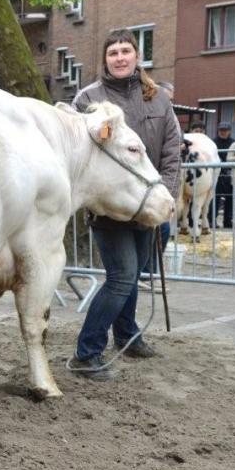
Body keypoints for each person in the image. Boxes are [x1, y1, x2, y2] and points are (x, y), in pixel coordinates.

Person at [69, 30, 181, 381]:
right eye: (113, 52)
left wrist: (164, 197)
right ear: (105, 59)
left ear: (137, 55)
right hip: (110, 207)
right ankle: (86, 353)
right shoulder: (88, 98)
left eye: (125, 51)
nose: (119, 57)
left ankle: (127, 335)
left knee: (133, 276)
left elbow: (172, 151)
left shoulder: (158, 98)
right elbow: (77, 153)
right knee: (121, 278)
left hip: (149, 204)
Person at [213, 122, 234, 228]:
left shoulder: (234, 143)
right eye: (221, 130)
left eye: (225, 130)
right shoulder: (213, 142)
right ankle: (212, 220)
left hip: (230, 173)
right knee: (215, 198)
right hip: (216, 173)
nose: (223, 132)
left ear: (229, 131)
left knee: (230, 198)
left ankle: (228, 221)